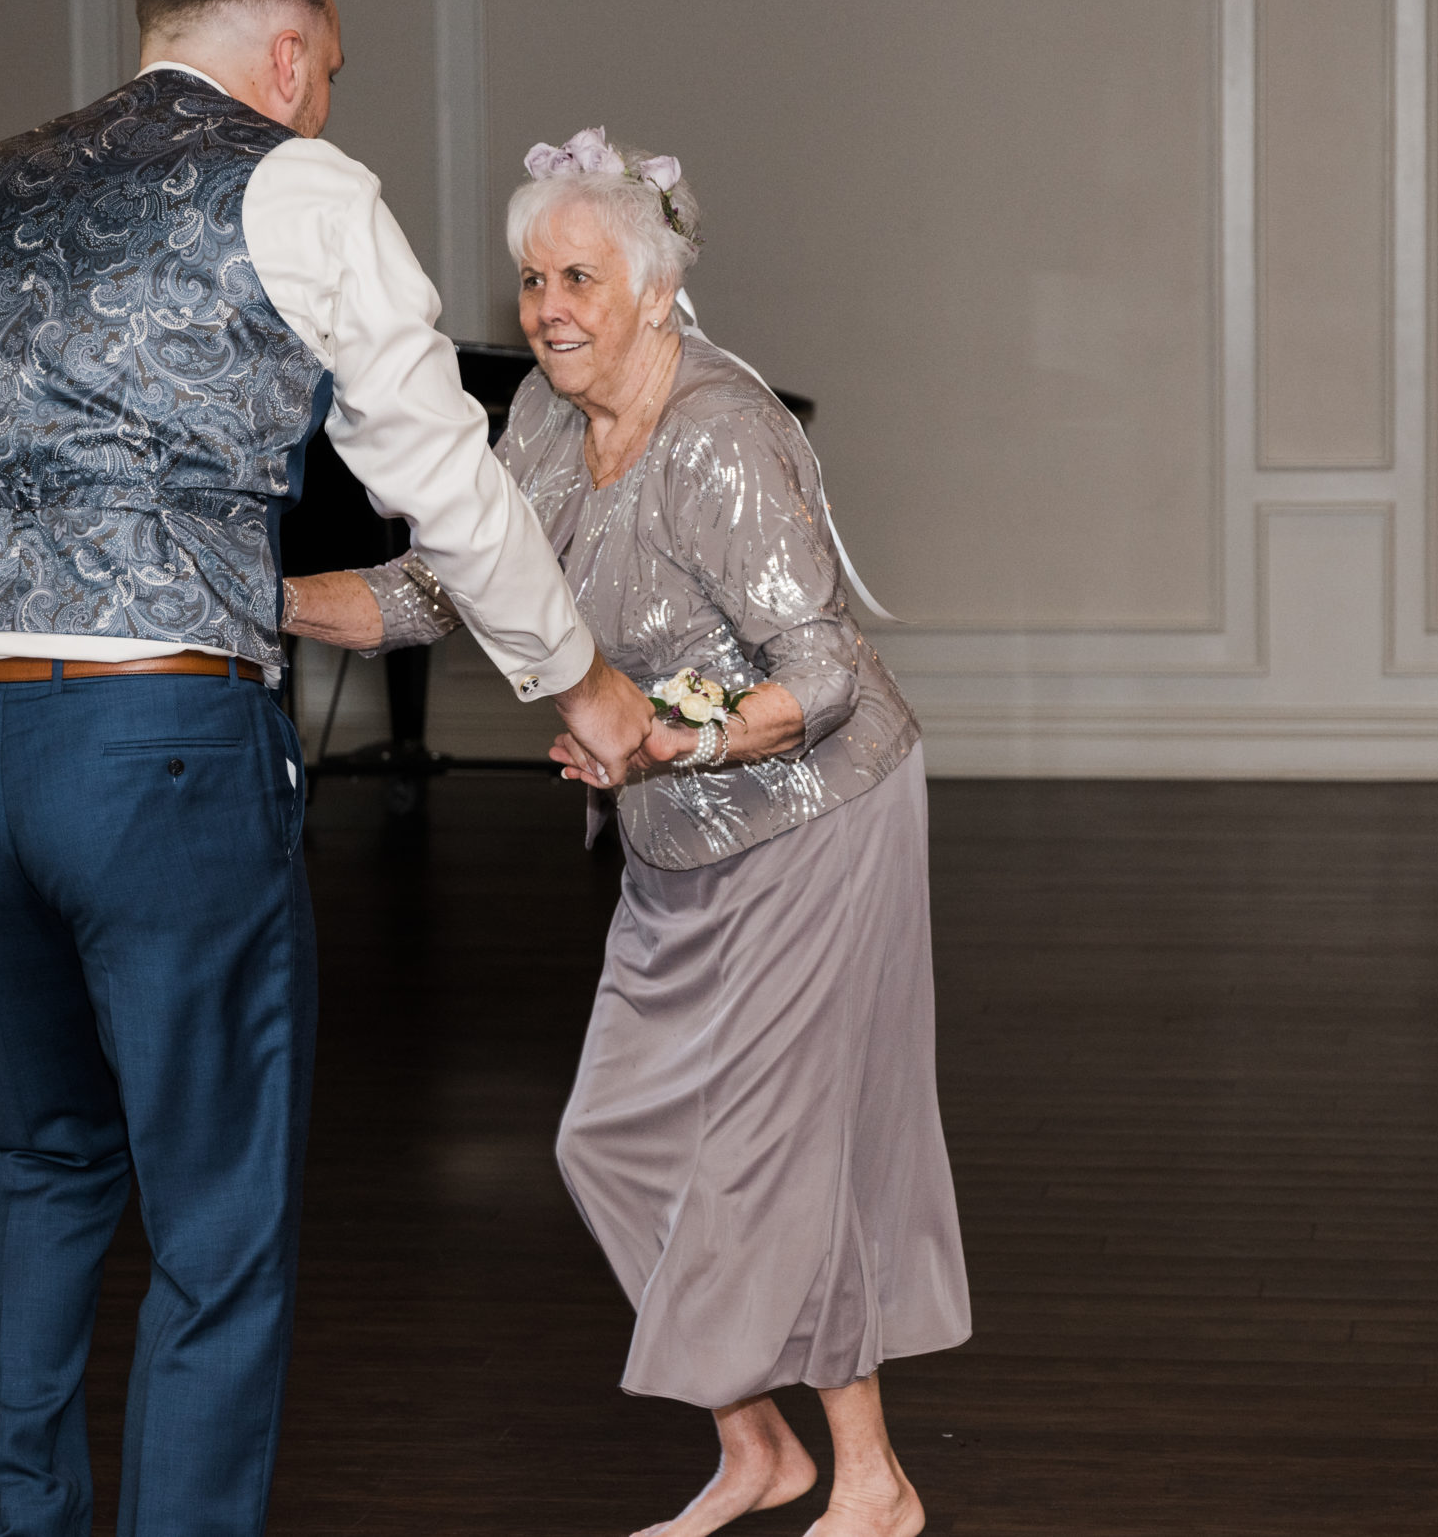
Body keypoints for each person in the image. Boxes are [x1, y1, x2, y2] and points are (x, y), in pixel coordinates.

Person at [0, 0, 653, 1537]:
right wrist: (581, 683)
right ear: (291, 52)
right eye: (333, 73)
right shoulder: (296, 185)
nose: (323, 103)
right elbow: (445, 479)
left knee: (42, 1147)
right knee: (216, 1214)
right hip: (147, 741)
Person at [287, 130, 970, 1537]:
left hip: (815, 819)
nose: (548, 307)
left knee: (781, 1157)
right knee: (613, 1140)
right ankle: (760, 1451)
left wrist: (677, 736)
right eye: (534, 278)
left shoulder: (720, 439)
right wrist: (260, 597)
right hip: (676, 836)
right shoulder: (542, 417)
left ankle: (874, 1485)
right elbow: (433, 593)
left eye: (580, 277)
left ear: (656, 291)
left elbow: (825, 677)